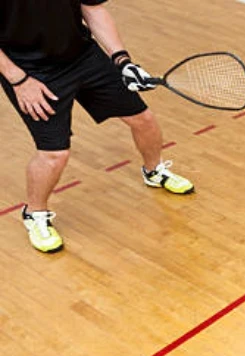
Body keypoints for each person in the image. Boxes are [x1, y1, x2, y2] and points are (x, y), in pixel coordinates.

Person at [0, 0, 194, 253]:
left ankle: (154, 171)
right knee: (54, 154)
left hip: (83, 57)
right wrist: (19, 81)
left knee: (143, 119)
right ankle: (34, 213)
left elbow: (93, 8)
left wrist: (123, 61)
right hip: (31, 73)